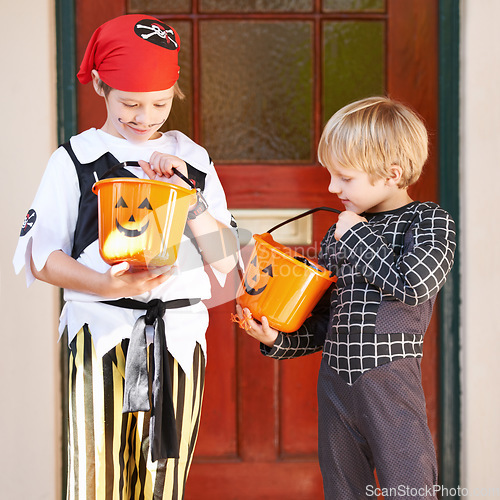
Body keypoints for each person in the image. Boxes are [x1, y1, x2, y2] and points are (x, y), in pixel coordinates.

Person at [13, 14, 239, 500]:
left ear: (174, 89)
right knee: (97, 483)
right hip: (99, 336)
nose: (144, 117)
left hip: (177, 342)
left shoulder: (194, 161)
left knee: (164, 485)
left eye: (158, 103)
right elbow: (39, 255)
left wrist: (190, 194)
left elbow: (225, 261)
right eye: (129, 104)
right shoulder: (75, 158)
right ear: (100, 86)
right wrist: (106, 285)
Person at [237, 96, 456, 499]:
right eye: (330, 176)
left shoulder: (428, 220)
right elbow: (326, 322)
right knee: (342, 489)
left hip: (389, 381)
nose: (332, 187)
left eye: (345, 177)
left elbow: (415, 285)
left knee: (411, 487)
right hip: (335, 383)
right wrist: (278, 340)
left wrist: (355, 235)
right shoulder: (338, 234)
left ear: (391, 174)